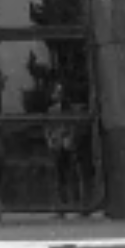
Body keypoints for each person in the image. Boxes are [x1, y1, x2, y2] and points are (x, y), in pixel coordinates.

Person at [44, 84, 80, 216]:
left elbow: (74, 126)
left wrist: (70, 138)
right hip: (57, 145)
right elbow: (47, 127)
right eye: (56, 92)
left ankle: (77, 205)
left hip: (68, 145)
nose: (57, 95)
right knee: (59, 176)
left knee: (72, 175)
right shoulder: (52, 110)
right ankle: (62, 207)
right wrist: (50, 140)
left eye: (60, 92)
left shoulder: (72, 110)